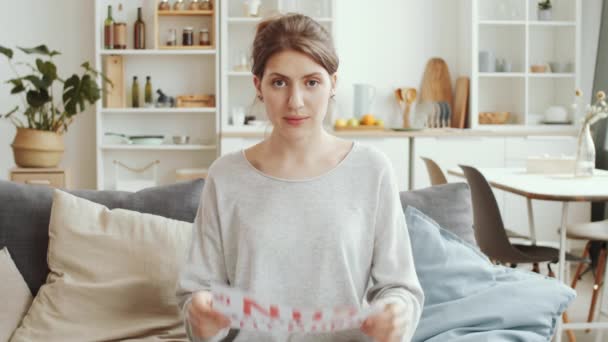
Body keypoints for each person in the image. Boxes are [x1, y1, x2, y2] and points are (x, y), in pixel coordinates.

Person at [176, 13, 424, 342]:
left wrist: (396, 314)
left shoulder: (372, 171)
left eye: (311, 82)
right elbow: (196, 291)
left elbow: (400, 288)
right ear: (258, 86)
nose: (295, 102)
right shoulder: (225, 176)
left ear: (333, 83)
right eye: (279, 82)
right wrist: (201, 321)